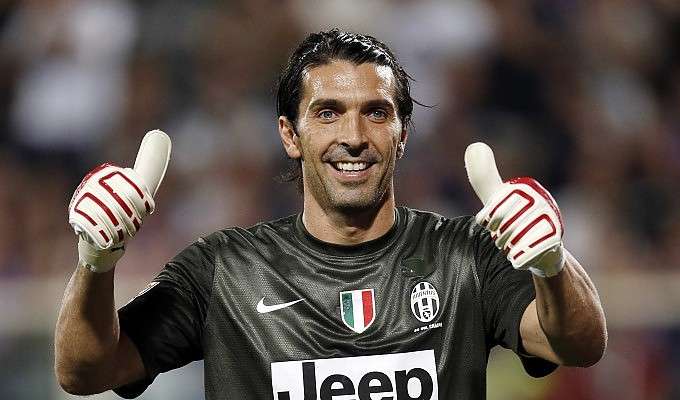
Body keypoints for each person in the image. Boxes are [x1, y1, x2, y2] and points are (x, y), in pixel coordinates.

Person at [54, 29, 607, 400]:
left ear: (402, 134)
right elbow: (84, 371)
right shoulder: (223, 270)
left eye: (377, 113)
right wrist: (95, 263)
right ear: (290, 134)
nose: (354, 136)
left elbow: (580, 344)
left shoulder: (466, 255)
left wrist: (551, 265)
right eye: (327, 113)